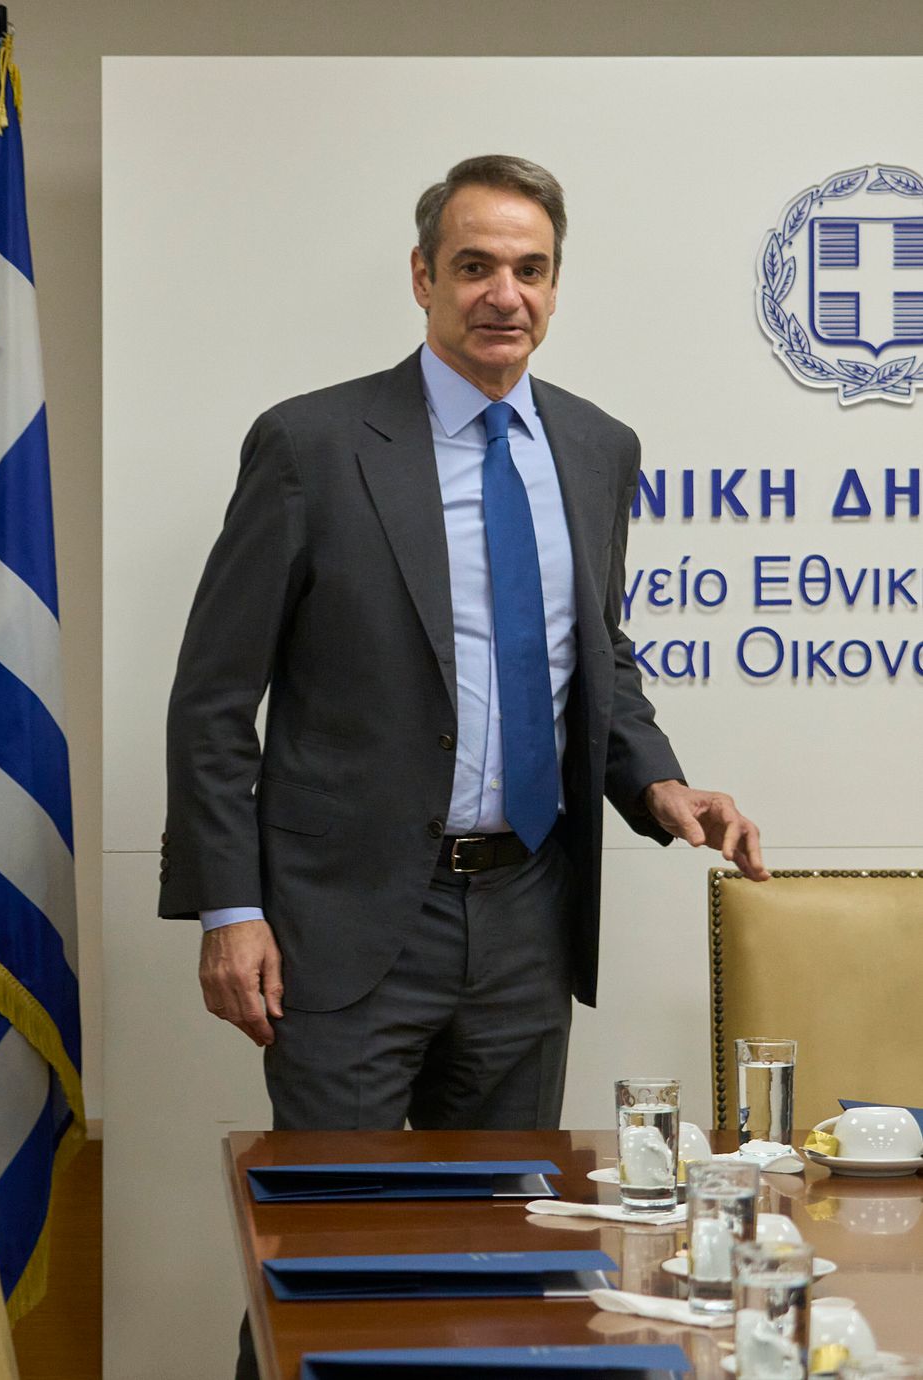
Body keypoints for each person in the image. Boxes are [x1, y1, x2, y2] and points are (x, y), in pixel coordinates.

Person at [161, 152, 768, 1131]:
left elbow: (593, 654)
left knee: (506, 1217)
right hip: (347, 920)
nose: (504, 295)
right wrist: (231, 910)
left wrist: (657, 780)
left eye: (530, 270)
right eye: (475, 266)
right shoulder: (312, 446)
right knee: (340, 1218)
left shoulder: (598, 449)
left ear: (555, 286)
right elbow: (213, 700)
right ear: (423, 277)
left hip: (529, 914)